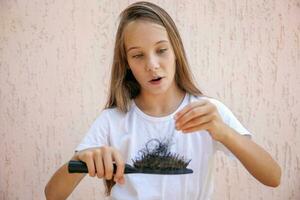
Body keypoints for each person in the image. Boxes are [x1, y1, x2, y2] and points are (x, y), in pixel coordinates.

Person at [44, 1, 281, 200]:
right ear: (126, 63)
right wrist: (81, 159)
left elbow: (273, 177)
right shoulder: (112, 120)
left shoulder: (208, 112)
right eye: (138, 55)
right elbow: (52, 194)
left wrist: (224, 132)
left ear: (176, 50)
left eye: (161, 50)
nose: (152, 65)